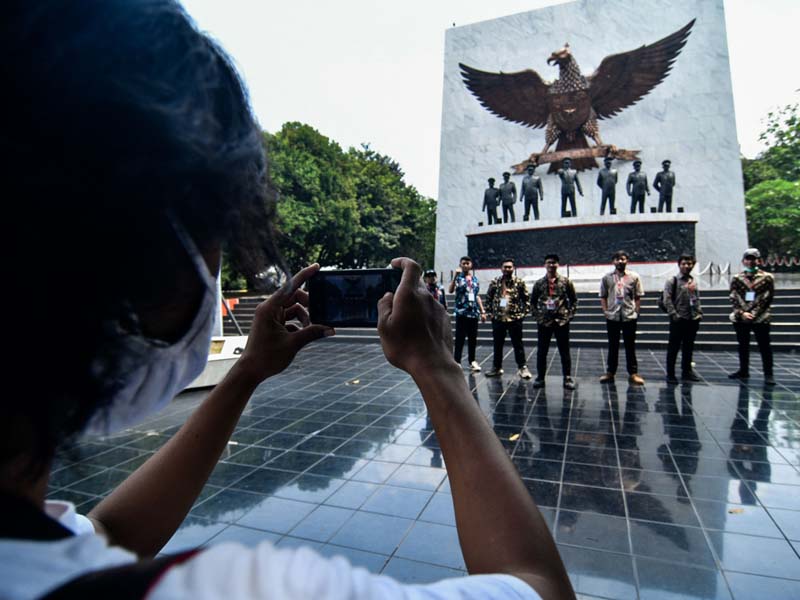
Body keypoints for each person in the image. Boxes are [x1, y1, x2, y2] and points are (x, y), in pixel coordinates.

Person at [0, 3, 577, 599]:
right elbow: (540, 588)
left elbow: (104, 532)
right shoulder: (241, 589)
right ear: (156, 257)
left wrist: (247, 371)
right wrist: (439, 371)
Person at [728, 248, 776, 385]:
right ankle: (743, 370)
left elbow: (768, 297)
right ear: (743, 261)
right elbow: (733, 296)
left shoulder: (767, 278)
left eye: (753, 259)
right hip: (741, 317)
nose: (750, 261)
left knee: (764, 346)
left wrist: (754, 314)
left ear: (758, 260)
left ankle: (768, 374)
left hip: (761, 318)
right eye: (748, 259)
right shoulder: (737, 278)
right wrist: (742, 313)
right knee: (743, 345)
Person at [530, 254, 578, 389]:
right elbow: (532, 303)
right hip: (544, 322)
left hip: (561, 321)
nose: (551, 265)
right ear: (544, 265)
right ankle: (540, 377)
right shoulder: (539, 283)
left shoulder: (566, 282)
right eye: (549, 263)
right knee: (542, 351)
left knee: (564, 351)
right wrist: (538, 317)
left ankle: (567, 378)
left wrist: (569, 315)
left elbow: (573, 300)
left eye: (554, 263)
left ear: (558, 265)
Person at [599, 251, 645, 384]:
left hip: (628, 316)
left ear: (627, 261)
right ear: (613, 261)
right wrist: (606, 311)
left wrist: (636, 311)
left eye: (623, 259)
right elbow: (603, 296)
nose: (620, 261)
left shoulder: (634, 277)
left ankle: (633, 373)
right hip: (613, 316)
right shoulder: (607, 277)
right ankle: (610, 372)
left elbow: (637, 296)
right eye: (617, 259)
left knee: (630, 346)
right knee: (613, 346)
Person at [484, 259, 533, 379]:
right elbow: (488, 297)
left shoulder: (519, 282)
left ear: (513, 268)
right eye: (505, 267)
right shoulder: (495, 282)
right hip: (498, 319)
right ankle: (496, 367)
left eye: (509, 267)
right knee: (497, 345)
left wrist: (522, 314)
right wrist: (490, 312)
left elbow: (526, 299)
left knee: (518, 344)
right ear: (501, 268)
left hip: (514, 319)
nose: (507, 269)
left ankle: (523, 368)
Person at [662, 254, 703, 383]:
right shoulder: (672, 280)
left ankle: (687, 371)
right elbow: (667, 299)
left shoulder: (693, 280)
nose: (686, 266)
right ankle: (670, 373)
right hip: (678, 319)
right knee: (673, 347)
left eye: (689, 263)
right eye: (684, 263)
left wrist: (699, 313)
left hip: (692, 318)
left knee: (688, 347)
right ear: (679, 265)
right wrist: (674, 315)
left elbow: (696, 298)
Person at [449, 256, 486, 371]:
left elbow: (476, 296)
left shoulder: (474, 279)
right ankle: (457, 361)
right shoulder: (458, 278)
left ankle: (472, 361)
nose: (465, 265)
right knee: (460, 338)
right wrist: (455, 276)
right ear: (460, 265)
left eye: (467, 263)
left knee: (472, 338)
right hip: (462, 313)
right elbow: (450, 290)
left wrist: (482, 311)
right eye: (463, 263)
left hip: (473, 313)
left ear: (471, 265)